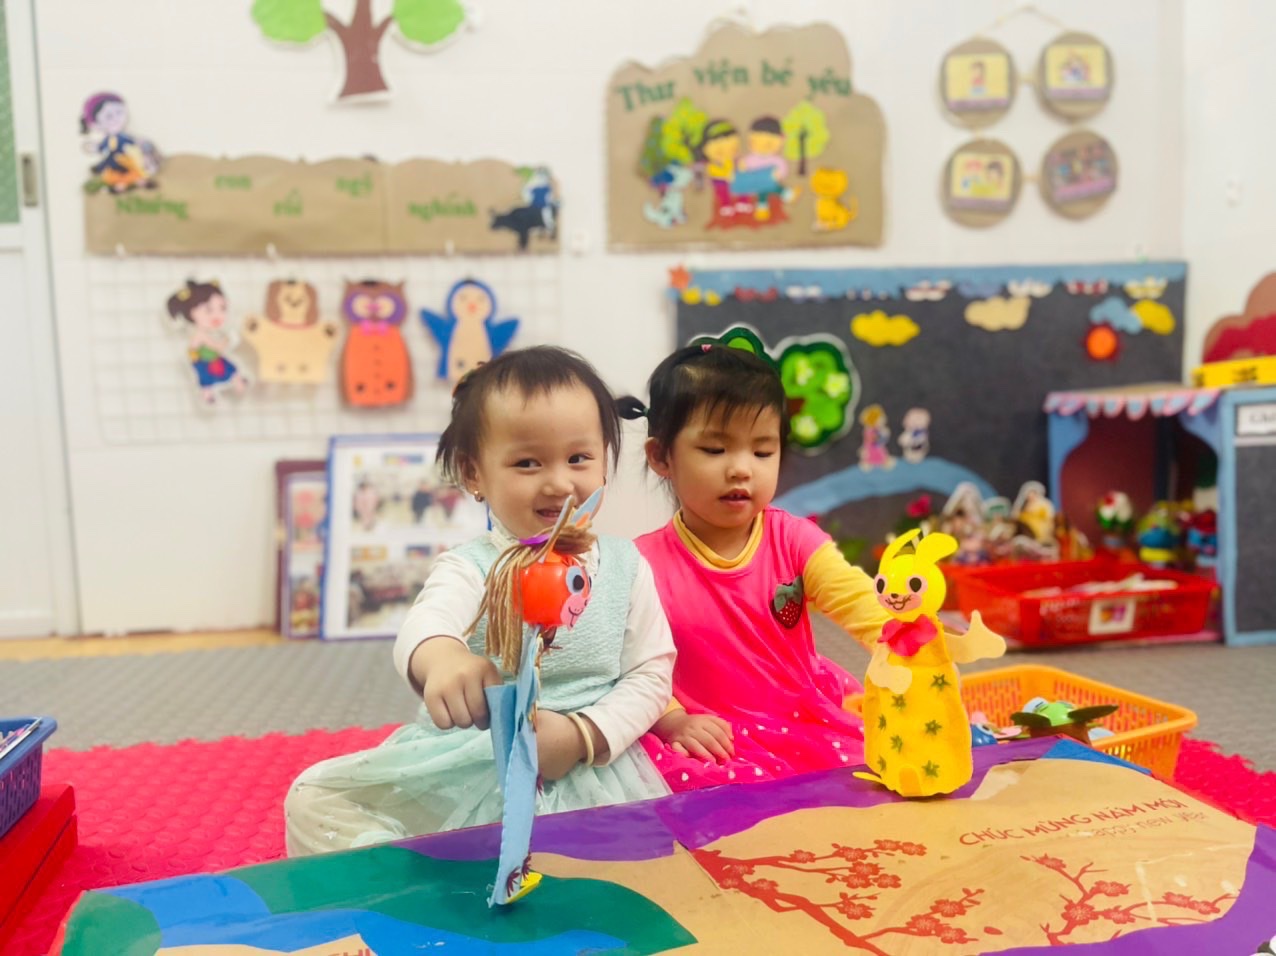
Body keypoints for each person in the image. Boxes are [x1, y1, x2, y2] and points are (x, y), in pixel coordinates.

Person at [285, 346, 675, 855]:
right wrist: (442, 657)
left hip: (588, 765)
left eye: (579, 458)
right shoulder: (470, 566)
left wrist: (584, 736)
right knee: (313, 798)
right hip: (472, 759)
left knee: (618, 861)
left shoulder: (626, 565)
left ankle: (472, 867)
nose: (559, 482)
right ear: (474, 475)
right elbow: (428, 622)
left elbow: (651, 672)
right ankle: (415, 874)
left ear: (604, 459)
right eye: (527, 463)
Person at [619, 344, 890, 792]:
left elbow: (864, 607)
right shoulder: (639, 565)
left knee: (869, 775)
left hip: (801, 718)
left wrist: (915, 647)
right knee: (693, 797)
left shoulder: (795, 540)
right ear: (661, 457)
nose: (741, 469)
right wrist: (671, 719)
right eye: (715, 449)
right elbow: (627, 663)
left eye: (763, 452)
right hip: (708, 733)